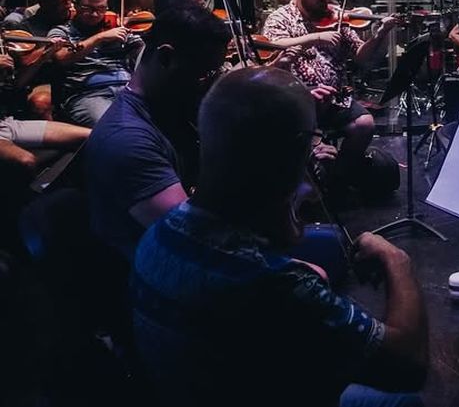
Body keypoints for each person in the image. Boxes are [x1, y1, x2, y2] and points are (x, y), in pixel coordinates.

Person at [130, 67, 428, 407]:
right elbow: (407, 365)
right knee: (405, 400)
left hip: (197, 386)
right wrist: (397, 261)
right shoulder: (273, 283)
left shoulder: (157, 234)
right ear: (295, 153)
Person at [85, 1, 231, 260]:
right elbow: (193, 239)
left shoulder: (171, 107)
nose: (213, 82)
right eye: (206, 72)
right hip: (150, 280)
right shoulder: (128, 139)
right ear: (166, 57)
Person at [263, 0, 403, 183]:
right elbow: (274, 44)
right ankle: (309, 174)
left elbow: (360, 55)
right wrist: (315, 38)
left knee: (365, 124)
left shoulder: (335, 16)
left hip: (335, 96)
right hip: (297, 99)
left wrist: (380, 34)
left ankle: (338, 177)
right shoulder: (280, 18)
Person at [48, 0, 141, 127]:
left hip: (127, 89)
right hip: (87, 94)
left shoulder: (116, 27)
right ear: (76, 5)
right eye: (88, 9)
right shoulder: (61, 32)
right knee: (116, 126)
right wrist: (99, 38)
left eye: (101, 8)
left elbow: (142, 50)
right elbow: (62, 58)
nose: (95, 14)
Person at [3, 0, 75, 120]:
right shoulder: (26, 29)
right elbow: (22, 70)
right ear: (45, 4)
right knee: (40, 103)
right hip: (48, 80)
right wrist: (45, 51)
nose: (70, 6)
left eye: (70, 0)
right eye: (63, 2)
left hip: (81, 74)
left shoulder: (77, 18)